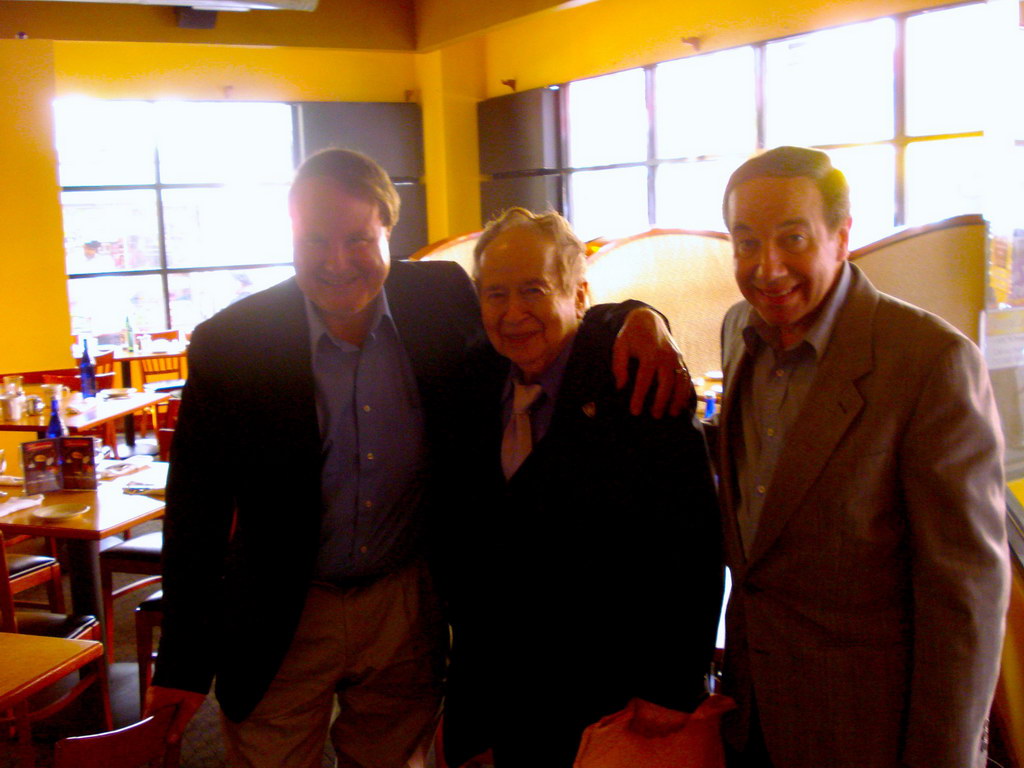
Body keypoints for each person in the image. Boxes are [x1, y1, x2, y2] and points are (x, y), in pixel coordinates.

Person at [145, 148, 693, 768]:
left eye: (358, 238)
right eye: (315, 240)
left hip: (406, 602)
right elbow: (196, 510)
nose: (337, 261)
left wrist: (638, 317)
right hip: (287, 610)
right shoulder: (232, 342)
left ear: (389, 230)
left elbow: (546, 319)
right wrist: (183, 660)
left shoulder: (438, 297)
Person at [716, 145, 1010, 768]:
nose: (767, 268)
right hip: (753, 718)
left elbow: (966, 600)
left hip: (867, 730)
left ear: (841, 236)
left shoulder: (929, 362)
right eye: (745, 242)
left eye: (792, 238)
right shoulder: (738, 331)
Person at [440, 209, 723, 768]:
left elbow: (692, 544)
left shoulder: (635, 381)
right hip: (497, 684)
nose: (513, 313)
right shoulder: (471, 382)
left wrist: (672, 686)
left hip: (607, 688)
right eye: (496, 294)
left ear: (579, 293)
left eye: (534, 290)